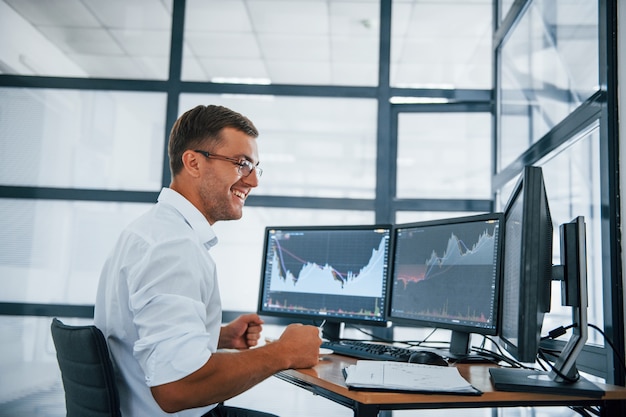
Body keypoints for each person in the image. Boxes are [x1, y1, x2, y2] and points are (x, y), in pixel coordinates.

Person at [94, 104, 322, 417]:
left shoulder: (149, 231)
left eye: (255, 167)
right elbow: (178, 387)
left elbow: (137, 333)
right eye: (242, 164)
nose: (253, 181)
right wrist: (283, 352)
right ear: (193, 162)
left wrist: (219, 335)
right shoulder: (173, 246)